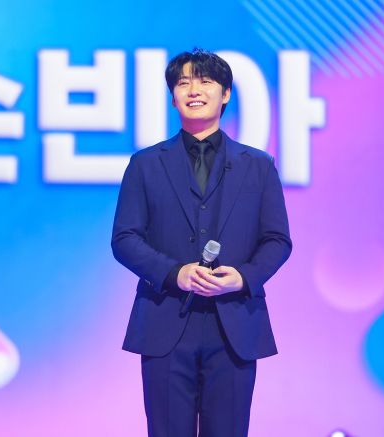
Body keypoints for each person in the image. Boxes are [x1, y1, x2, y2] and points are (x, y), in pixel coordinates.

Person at [111, 48, 292, 437]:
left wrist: (243, 277)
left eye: (205, 81)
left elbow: (277, 240)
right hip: (165, 320)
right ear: (173, 97)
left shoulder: (258, 165)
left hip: (234, 324)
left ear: (225, 94)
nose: (194, 90)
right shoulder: (146, 163)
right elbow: (124, 238)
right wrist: (174, 273)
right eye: (183, 83)